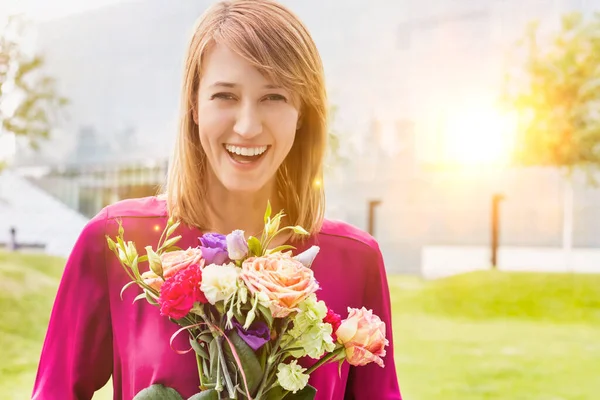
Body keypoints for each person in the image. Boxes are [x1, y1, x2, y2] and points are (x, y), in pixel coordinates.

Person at [32, 1, 402, 399]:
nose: (247, 126)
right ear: (194, 105)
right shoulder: (116, 243)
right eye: (225, 96)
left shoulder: (356, 261)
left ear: (303, 113)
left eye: (273, 97)